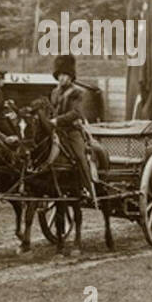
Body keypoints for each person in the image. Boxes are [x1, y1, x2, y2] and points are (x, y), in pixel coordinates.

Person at [50, 54, 98, 197]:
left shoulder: (78, 92)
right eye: (60, 75)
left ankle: (86, 187)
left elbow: (76, 112)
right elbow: (51, 109)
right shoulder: (54, 92)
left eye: (65, 75)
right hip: (55, 130)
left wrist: (57, 121)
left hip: (72, 131)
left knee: (79, 156)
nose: (62, 78)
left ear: (71, 77)